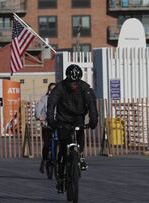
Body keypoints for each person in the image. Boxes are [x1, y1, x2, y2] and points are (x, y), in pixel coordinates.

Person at [47, 64, 98, 193]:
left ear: (79, 79)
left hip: (78, 119)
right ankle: (60, 176)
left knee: (80, 136)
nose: (74, 85)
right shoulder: (59, 88)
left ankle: (80, 155)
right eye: (71, 82)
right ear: (67, 79)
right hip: (62, 120)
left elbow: (92, 106)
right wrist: (51, 120)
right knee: (63, 148)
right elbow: (51, 104)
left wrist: (93, 121)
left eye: (76, 82)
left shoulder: (85, 88)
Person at [35, 83, 56, 174]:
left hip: (58, 124)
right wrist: (39, 116)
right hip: (47, 124)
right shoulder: (44, 99)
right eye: (51, 89)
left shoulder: (60, 98)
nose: (53, 91)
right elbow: (38, 109)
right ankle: (43, 161)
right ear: (48, 90)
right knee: (47, 143)